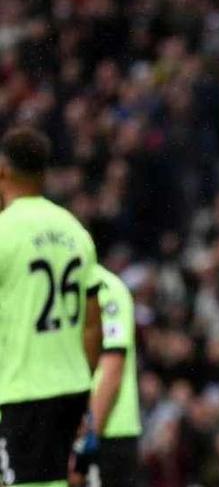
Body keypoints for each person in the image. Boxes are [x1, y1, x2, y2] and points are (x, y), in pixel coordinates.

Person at [0, 126, 103, 487]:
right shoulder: (75, 231)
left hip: (24, 388)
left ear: (3, 171)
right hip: (71, 387)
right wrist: (83, 380)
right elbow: (93, 325)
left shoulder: (5, 231)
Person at [70, 264, 142, 487]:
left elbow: (111, 371)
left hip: (108, 434)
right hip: (68, 434)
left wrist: (83, 450)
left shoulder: (106, 288)